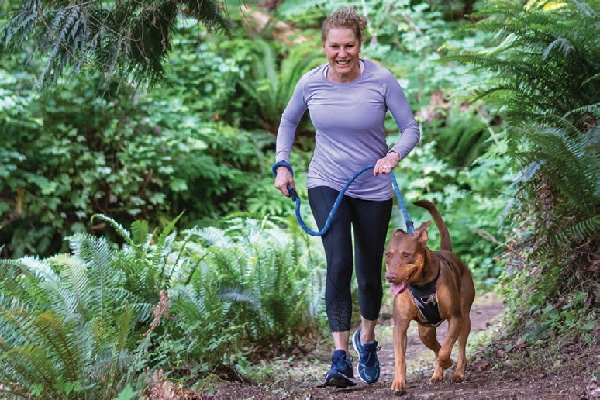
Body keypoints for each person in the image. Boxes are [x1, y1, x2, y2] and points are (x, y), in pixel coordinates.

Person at [273, 6, 420, 388]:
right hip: (326, 181)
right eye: (334, 46)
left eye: (349, 45)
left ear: (359, 44)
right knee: (338, 263)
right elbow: (288, 121)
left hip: (373, 186)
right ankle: (340, 359)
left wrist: (393, 156)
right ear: (324, 46)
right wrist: (282, 165)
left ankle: (367, 341)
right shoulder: (310, 83)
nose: (342, 54)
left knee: (370, 271)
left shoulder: (381, 80)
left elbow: (410, 128)